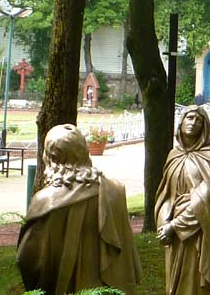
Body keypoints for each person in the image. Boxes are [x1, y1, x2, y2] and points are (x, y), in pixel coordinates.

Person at [16, 124, 140, 295]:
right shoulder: (114, 190)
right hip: (106, 290)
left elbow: (28, 259)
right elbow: (125, 250)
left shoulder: (45, 201)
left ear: (50, 157)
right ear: (84, 151)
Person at [155, 105, 210, 295]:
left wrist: (176, 225)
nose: (193, 123)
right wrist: (164, 223)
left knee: (196, 279)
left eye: (198, 120)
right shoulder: (174, 155)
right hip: (174, 232)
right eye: (190, 118)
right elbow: (165, 194)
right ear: (181, 122)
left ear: (204, 126)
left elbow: (208, 196)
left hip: (200, 230)